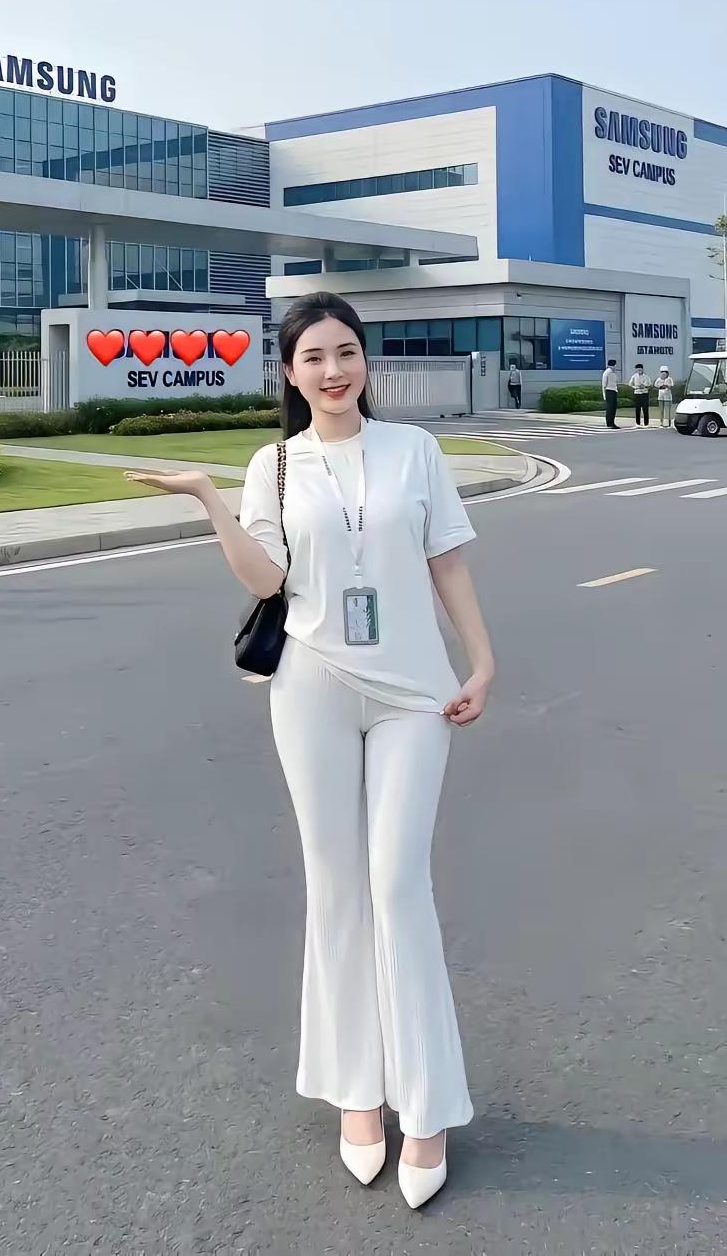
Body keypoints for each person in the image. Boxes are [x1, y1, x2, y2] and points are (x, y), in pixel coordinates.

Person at [125, 292, 493, 1210]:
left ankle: (428, 1107)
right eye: (314, 358)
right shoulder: (275, 465)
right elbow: (268, 578)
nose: (334, 371)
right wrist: (210, 499)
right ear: (289, 373)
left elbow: (446, 562)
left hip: (414, 691)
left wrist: (482, 662)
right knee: (335, 888)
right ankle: (356, 1092)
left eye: (346, 352)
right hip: (312, 687)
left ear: (366, 361)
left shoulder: (415, 450)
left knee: (397, 886)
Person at [602, 359, 619, 427]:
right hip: (609, 391)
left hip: (614, 391)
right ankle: (609, 423)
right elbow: (604, 384)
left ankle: (612, 422)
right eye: (615, 365)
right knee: (610, 408)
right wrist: (604, 395)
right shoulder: (607, 372)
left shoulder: (613, 372)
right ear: (613, 365)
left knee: (613, 408)